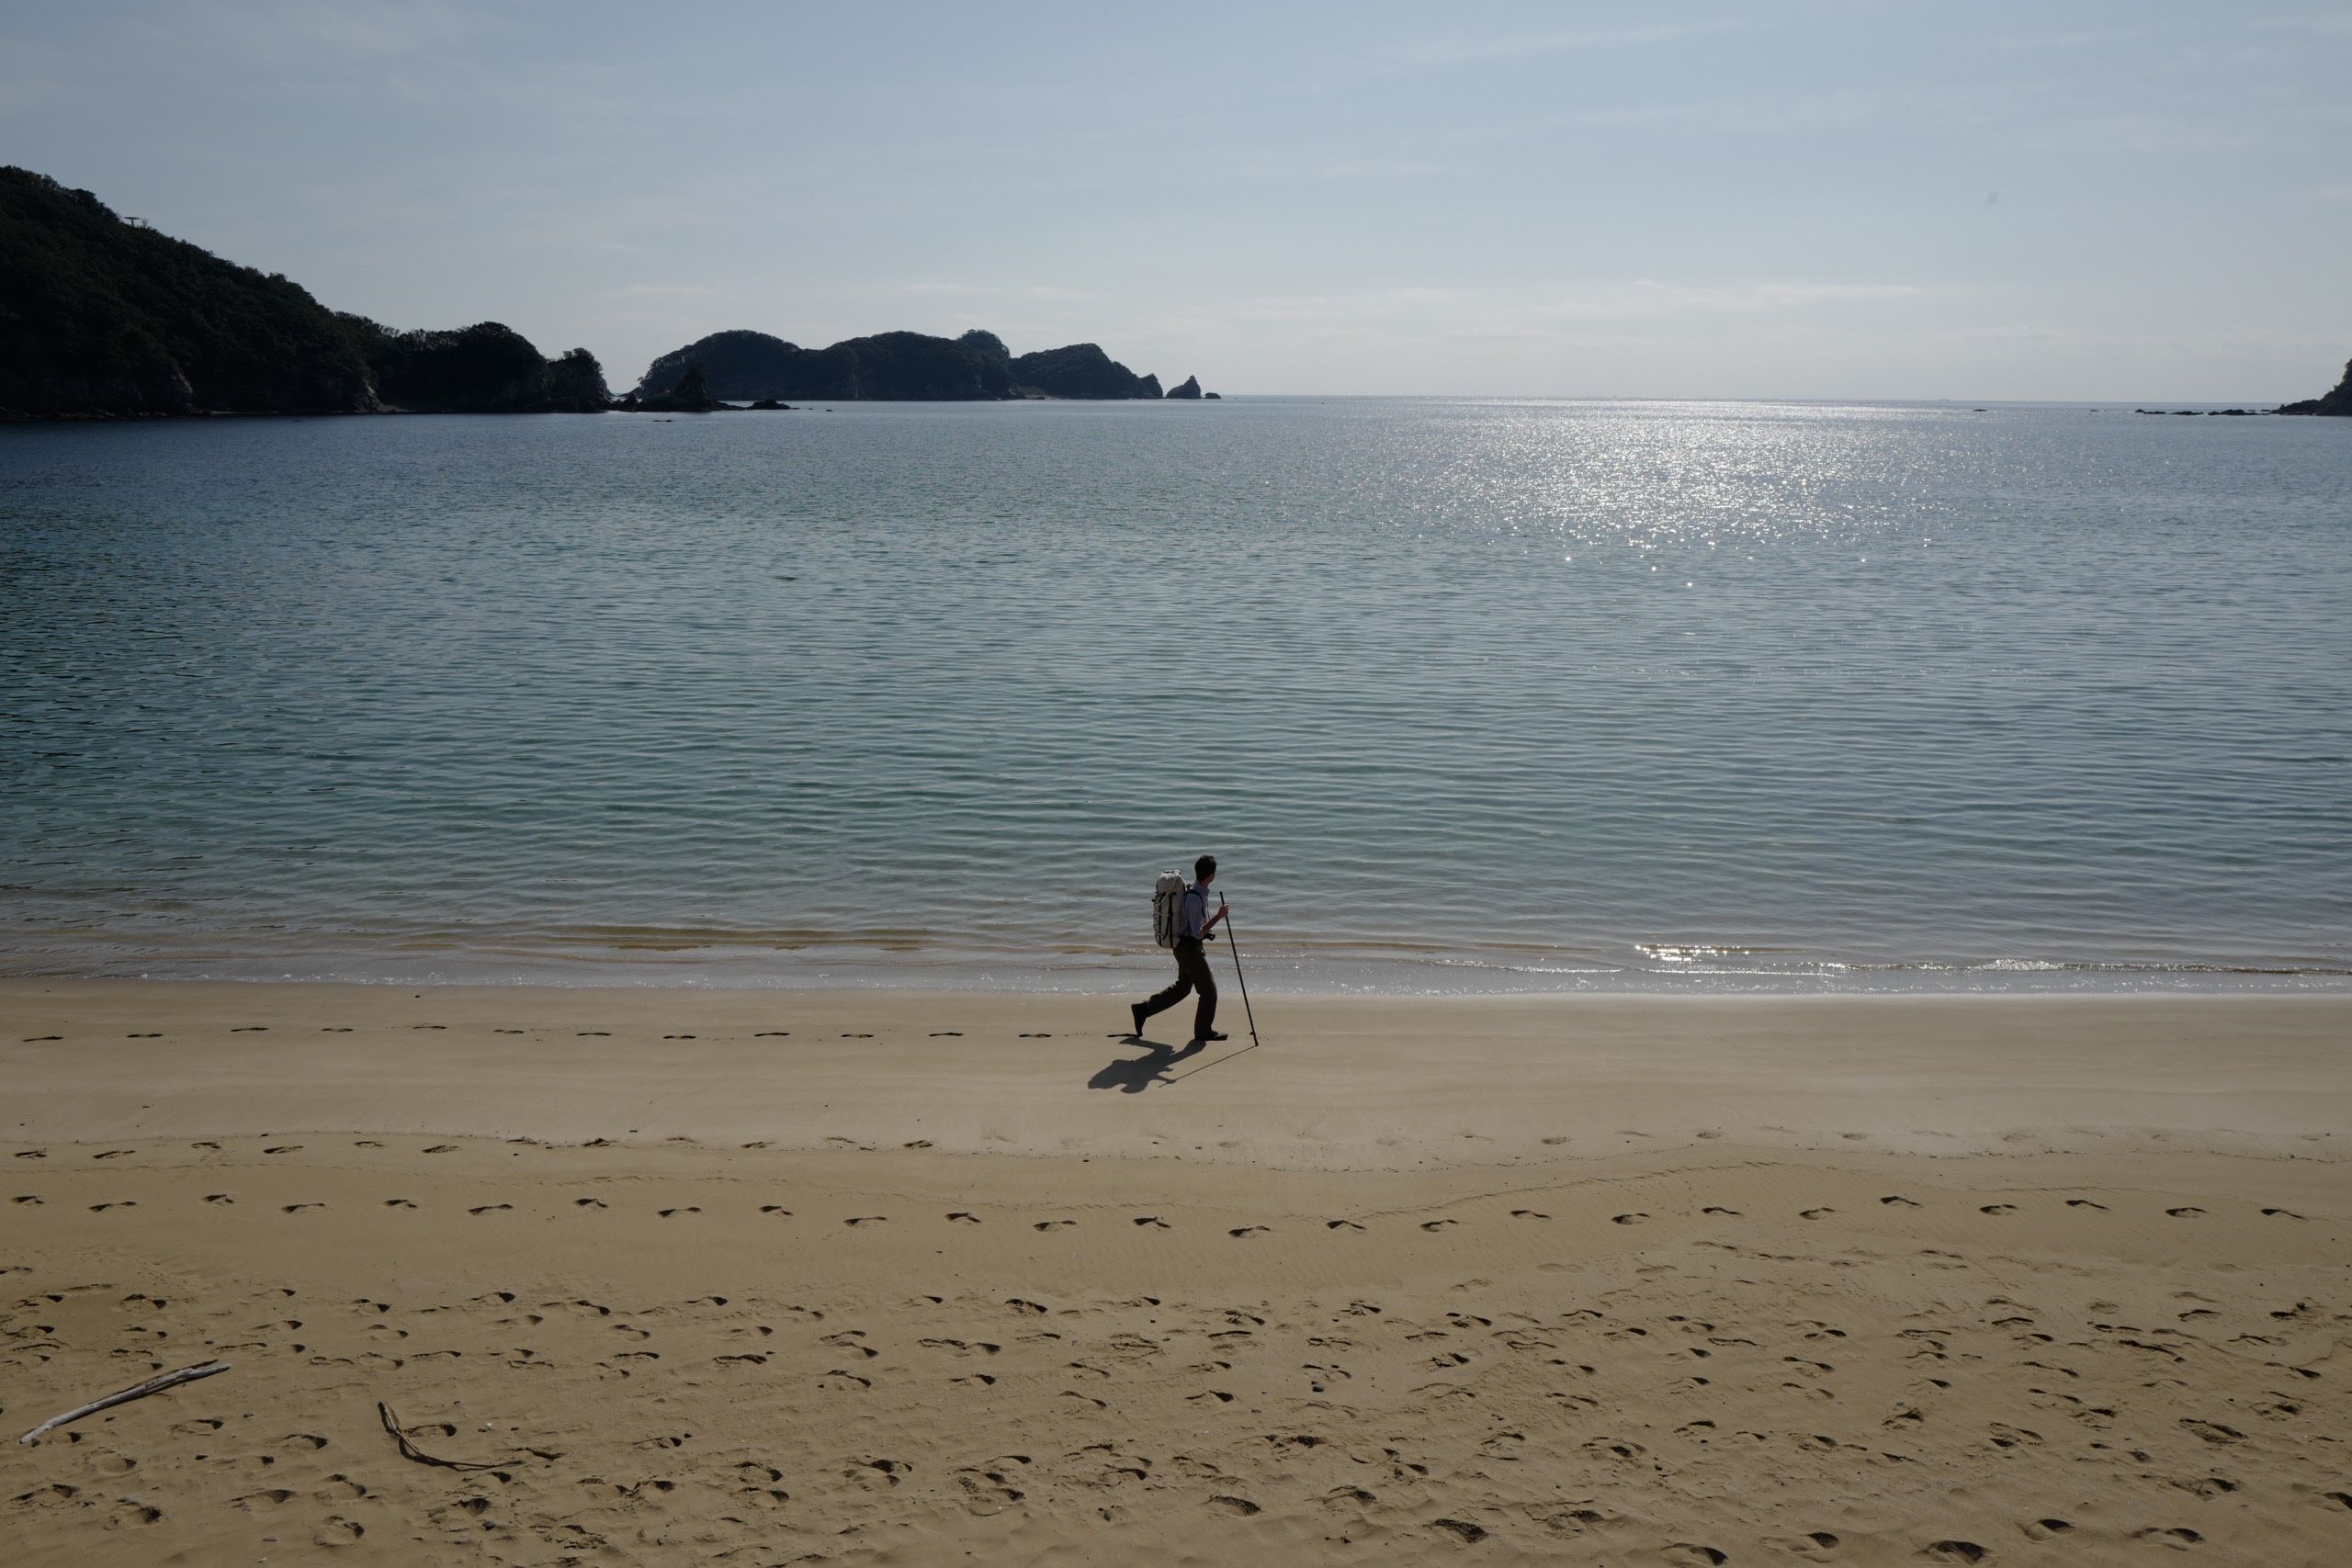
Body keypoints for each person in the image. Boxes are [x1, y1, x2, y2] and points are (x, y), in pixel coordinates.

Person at [1132, 853, 1228, 1043]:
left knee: (1183, 988)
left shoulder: (1197, 892)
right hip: (1189, 949)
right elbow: (1197, 932)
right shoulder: (1195, 898)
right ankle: (1203, 1031)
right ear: (1212, 876)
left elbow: (1196, 929)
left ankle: (1143, 1010)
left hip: (1185, 947)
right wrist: (1219, 917)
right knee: (1209, 992)